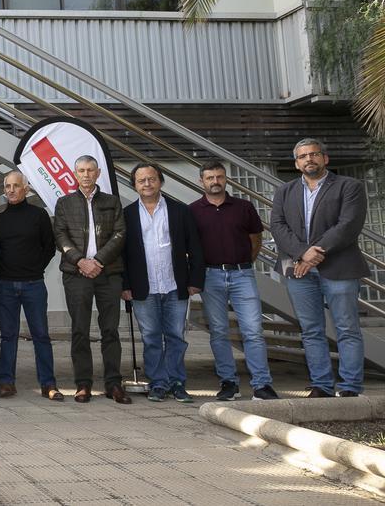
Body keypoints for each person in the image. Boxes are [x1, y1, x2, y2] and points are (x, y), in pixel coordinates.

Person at [270, 138, 369, 398]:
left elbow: (348, 225)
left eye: (314, 154)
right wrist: (303, 253)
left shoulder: (350, 186)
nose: (309, 159)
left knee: (347, 328)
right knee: (311, 330)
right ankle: (322, 385)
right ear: (296, 163)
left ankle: (349, 387)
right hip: (298, 271)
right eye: (303, 156)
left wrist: (313, 254)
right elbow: (278, 227)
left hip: (340, 268)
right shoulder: (285, 191)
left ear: (325, 158)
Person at [189, 159, 279, 401]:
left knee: (253, 331)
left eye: (219, 177)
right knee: (218, 332)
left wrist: (244, 263)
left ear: (225, 178)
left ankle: (262, 385)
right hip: (211, 276)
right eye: (210, 178)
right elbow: (191, 247)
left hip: (242, 274)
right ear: (201, 181)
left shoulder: (243, 207)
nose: (215, 182)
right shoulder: (193, 210)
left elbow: (255, 238)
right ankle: (228, 383)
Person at [121, 163, 205, 403]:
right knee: (151, 337)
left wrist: (195, 280)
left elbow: (195, 248)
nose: (147, 184)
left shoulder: (180, 211)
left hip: (174, 285)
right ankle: (158, 383)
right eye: (141, 180)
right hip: (142, 287)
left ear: (160, 181)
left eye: (151, 179)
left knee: (176, 336)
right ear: (134, 185)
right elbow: (122, 255)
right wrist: (124, 285)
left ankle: (177, 382)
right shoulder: (127, 215)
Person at [53, 155, 129, 404]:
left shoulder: (112, 201)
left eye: (90, 170)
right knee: (79, 330)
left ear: (98, 174)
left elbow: (120, 233)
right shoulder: (64, 203)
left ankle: (113, 383)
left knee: (110, 330)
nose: (86, 175)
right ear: (75, 174)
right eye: (81, 170)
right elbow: (60, 236)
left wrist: (98, 261)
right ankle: (83, 384)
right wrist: (80, 261)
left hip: (108, 273)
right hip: (77, 274)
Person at [0, 171, 60, 400]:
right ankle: (6, 383)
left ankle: (48, 384)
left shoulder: (39, 215)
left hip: (34, 285)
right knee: (7, 335)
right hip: (5, 285)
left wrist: (35, 267)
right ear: (4, 190)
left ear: (26, 189)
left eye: (16, 186)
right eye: (7, 186)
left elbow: (49, 247)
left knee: (41, 334)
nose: (11, 190)